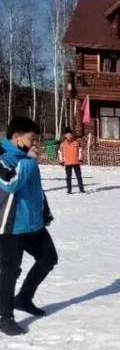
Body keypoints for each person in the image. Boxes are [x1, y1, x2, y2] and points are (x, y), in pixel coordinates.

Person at [0, 117, 57, 336]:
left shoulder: (25, 157)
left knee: (48, 258)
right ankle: (5, 316)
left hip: (34, 224)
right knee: (9, 272)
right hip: (11, 226)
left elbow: (36, 188)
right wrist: (29, 161)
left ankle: (23, 298)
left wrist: (45, 212)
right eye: (32, 138)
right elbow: (10, 182)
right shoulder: (3, 155)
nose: (35, 143)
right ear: (17, 136)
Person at [58, 127, 85, 194]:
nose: (69, 136)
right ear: (65, 136)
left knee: (79, 176)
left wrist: (80, 158)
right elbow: (60, 152)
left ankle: (81, 189)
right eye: (68, 134)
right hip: (67, 163)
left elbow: (80, 150)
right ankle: (69, 191)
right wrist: (61, 161)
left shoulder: (76, 143)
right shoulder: (62, 144)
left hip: (76, 161)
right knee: (68, 177)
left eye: (70, 134)